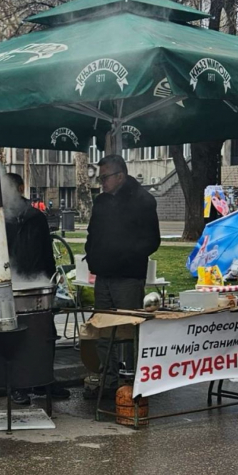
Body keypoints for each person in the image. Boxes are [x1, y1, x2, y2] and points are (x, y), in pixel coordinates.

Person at [84, 155, 160, 396]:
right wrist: (92, 254)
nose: (101, 182)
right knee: (104, 330)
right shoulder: (101, 201)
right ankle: (108, 380)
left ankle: (135, 382)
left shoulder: (142, 200)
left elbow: (152, 240)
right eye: (100, 178)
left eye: (105, 177)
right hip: (103, 274)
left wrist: (125, 256)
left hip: (127, 276)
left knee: (128, 330)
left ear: (120, 176)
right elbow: (93, 232)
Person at [3, 173, 70, 403]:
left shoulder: (35, 216)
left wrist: (50, 281)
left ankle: (43, 380)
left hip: (37, 281)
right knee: (17, 335)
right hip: (11, 282)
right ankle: (18, 384)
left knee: (44, 333)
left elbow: (46, 251)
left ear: (20, 188)